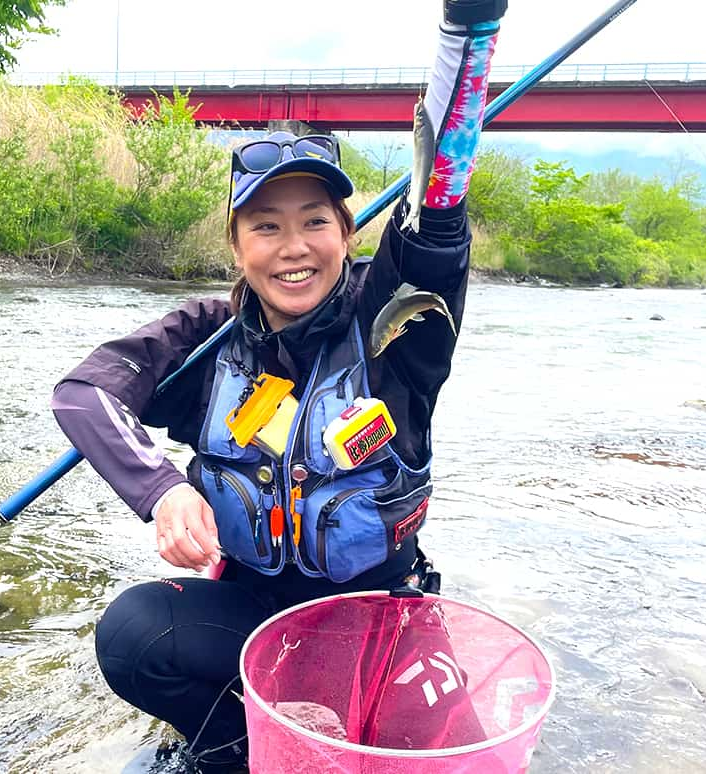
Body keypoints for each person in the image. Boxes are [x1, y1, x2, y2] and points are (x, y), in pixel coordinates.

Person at [49, 2, 508, 770]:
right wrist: (162, 489)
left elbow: (438, 201)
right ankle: (237, 749)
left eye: (314, 222)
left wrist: (469, 29)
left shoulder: (395, 321)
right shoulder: (204, 337)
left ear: (348, 233)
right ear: (235, 243)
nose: (293, 249)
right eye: (265, 226)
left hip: (376, 618)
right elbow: (83, 393)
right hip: (255, 615)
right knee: (131, 634)